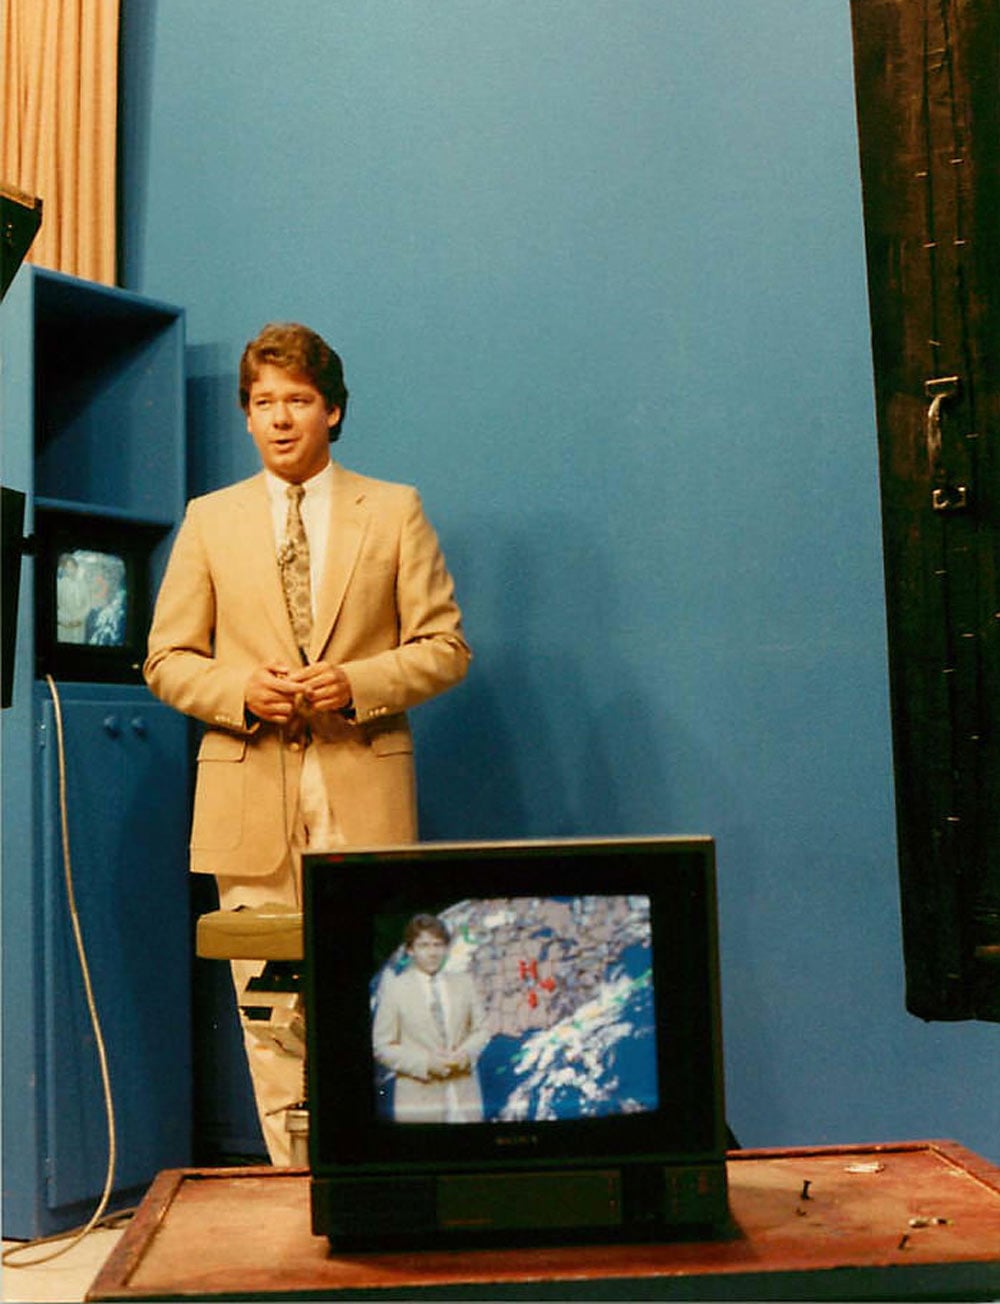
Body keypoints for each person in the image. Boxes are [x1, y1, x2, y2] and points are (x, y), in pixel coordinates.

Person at [144, 322, 471, 1163]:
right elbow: (166, 660)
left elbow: (445, 648)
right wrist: (239, 691)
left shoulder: (393, 510)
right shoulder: (209, 520)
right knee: (269, 1016)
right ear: (246, 419)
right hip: (248, 805)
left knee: (376, 1003)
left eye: (297, 400)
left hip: (362, 794)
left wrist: (358, 684)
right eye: (262, 403)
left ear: (333, 411)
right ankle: (297, 1202)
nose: (280, 418)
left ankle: (375, 1191)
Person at [372, 914, 489, 1122]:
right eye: (424, 945)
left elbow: (482, 1030)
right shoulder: (395, 990)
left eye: (438, 945)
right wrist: (426, 1063)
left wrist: (465, 1055)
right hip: (419, 1106)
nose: (433, 953)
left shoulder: (464, 983)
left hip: (466, 1103)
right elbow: (382, 1046)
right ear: (410, 950)